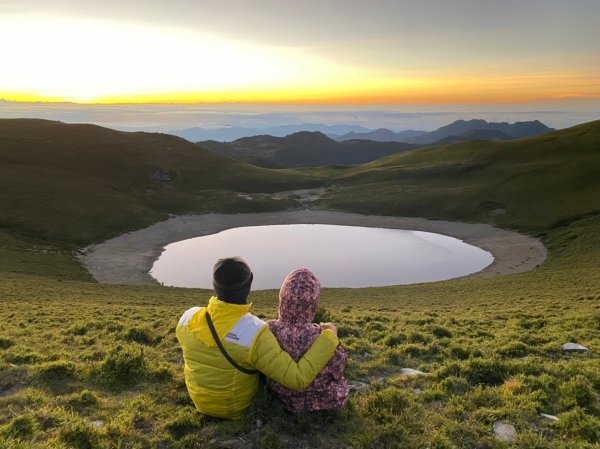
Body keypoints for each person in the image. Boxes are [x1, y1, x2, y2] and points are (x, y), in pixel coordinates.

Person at [176, 257, 339, 419]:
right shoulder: (254, 332)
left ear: (214, 284)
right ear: (250, 282)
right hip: (236, 408)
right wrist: (329, 337)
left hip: (200, 401)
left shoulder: (187, 318)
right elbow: (297, 379)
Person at [267, 268, 348, 412]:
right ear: (313, 303)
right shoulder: (322, 337)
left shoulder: (268, 330)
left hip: (278, 398)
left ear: (283, 298)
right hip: (321, 401)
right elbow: (338, 369)